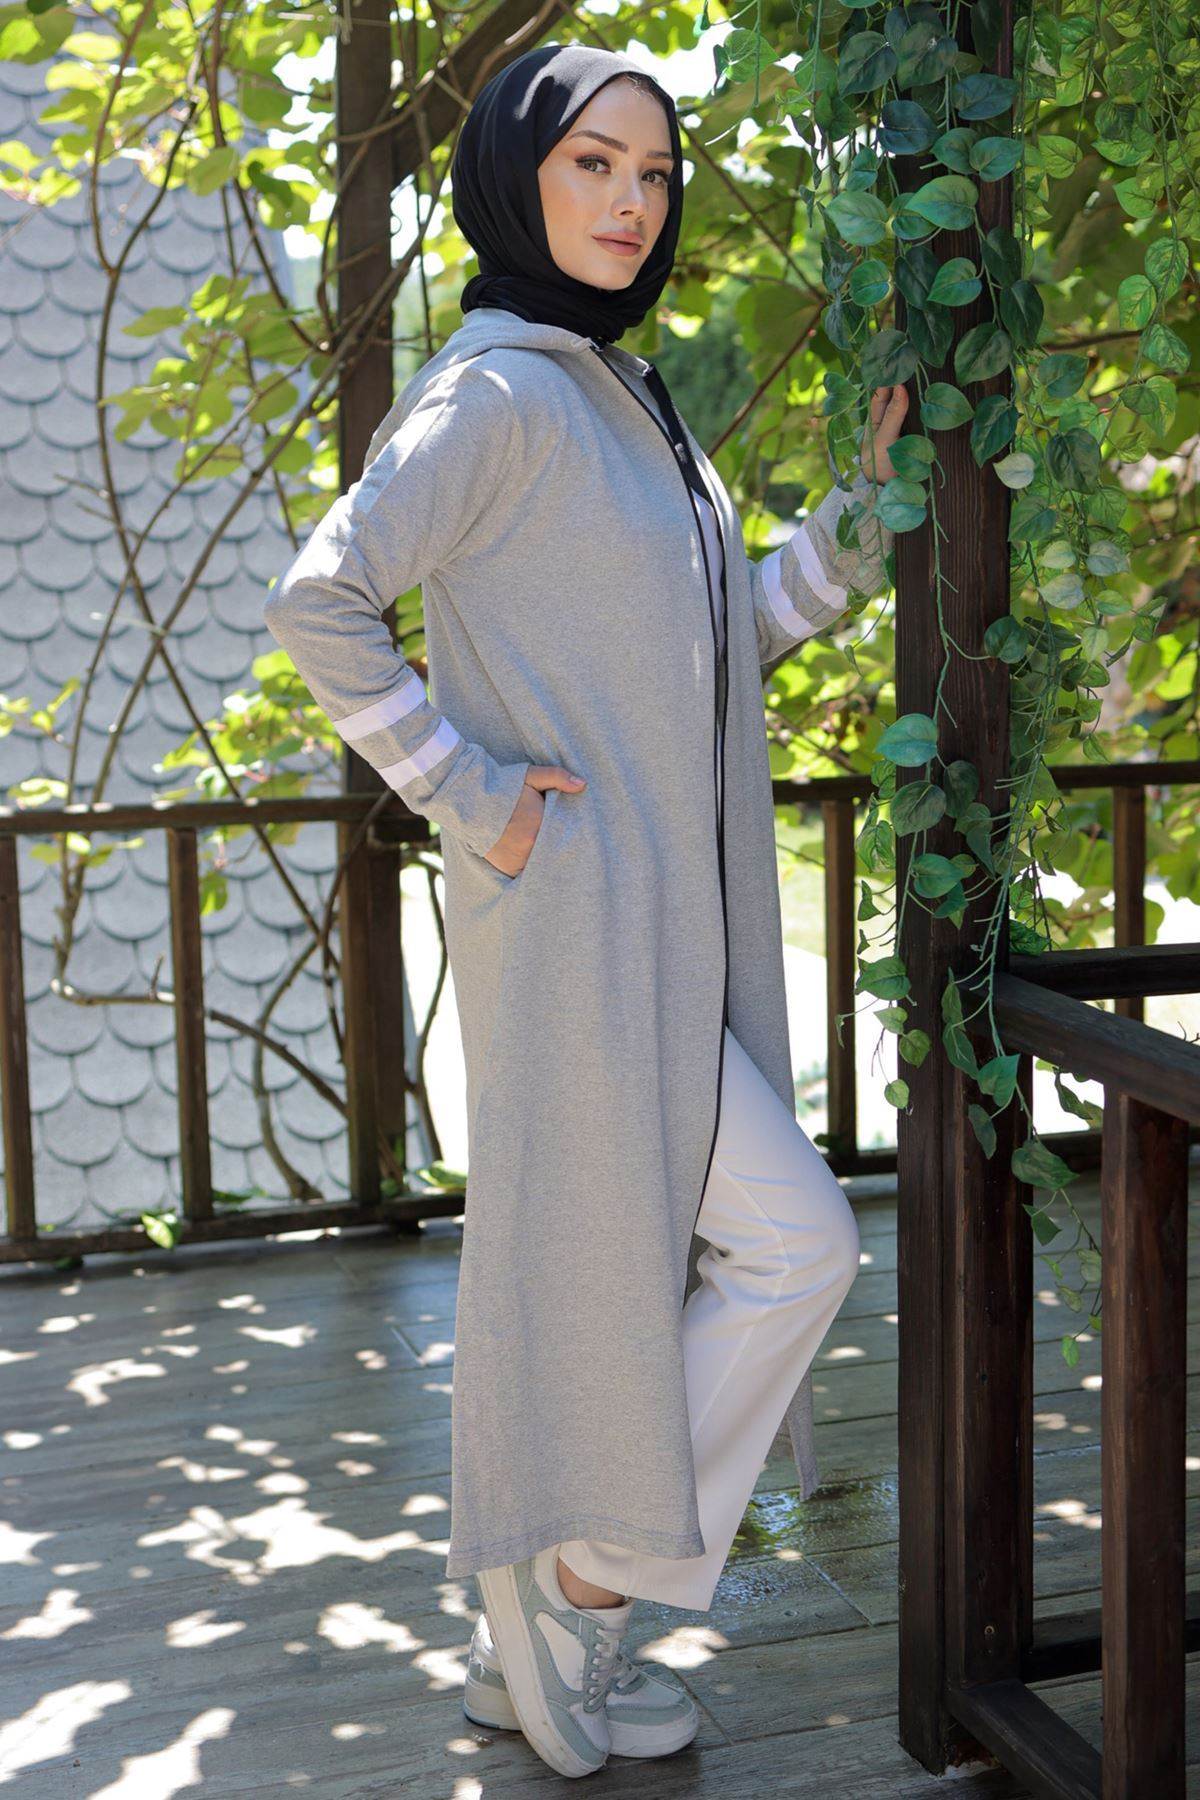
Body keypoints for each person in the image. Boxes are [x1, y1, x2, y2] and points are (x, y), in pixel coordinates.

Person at [263, 40, 908, 1781]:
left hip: (657, 933)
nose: (631, 201)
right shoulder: (500, 397)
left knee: (687, 1261)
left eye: (654, 172)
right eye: (592, 164)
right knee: (794, 1245)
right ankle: (578, 1580)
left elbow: (711, 644)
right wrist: (468, 789)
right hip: (576, 935)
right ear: (516, 178)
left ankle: (543, 1628)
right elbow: (322, 600)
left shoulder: (617, 398)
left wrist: (854, 528)